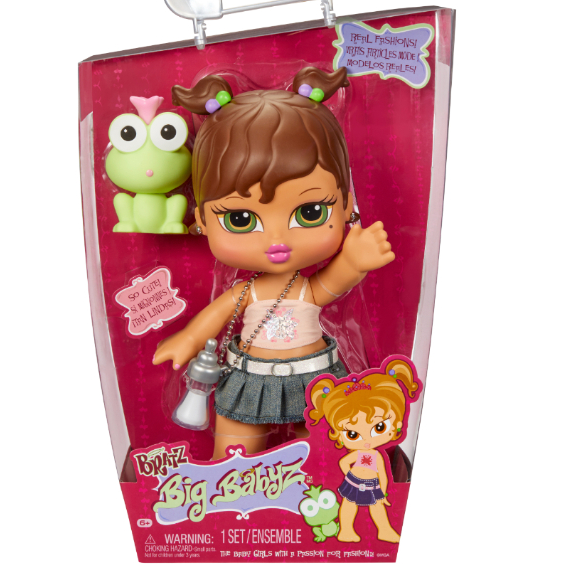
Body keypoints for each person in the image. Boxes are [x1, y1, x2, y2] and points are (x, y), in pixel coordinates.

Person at [153, 66, 395, 460]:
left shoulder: (303, 289)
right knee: (235, 450)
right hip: (251, 378)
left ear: (346, 205)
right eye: (240, 219)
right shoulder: (246, 292)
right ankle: (231, 484)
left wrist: (355, 261)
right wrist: (188, 339)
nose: (277, 240)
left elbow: (330, 284)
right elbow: (214, 316)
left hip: (315, 379)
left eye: (311, 212)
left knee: (326, 450)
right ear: (202, 221)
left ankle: (325, 486)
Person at [308, 359, 419, 543]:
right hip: (354, 480)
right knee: (349, 505)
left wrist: (384, 490)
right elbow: (344, 462)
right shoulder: (361, 454)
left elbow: (382, 473)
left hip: (371, 482)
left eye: (379, 427)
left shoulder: (375, 455)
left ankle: (384, 530)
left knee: (377, 506)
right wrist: (349, 476)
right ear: (338, 434)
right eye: (352, 434)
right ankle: (345, 530)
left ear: (397, 423)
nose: (366, 440)